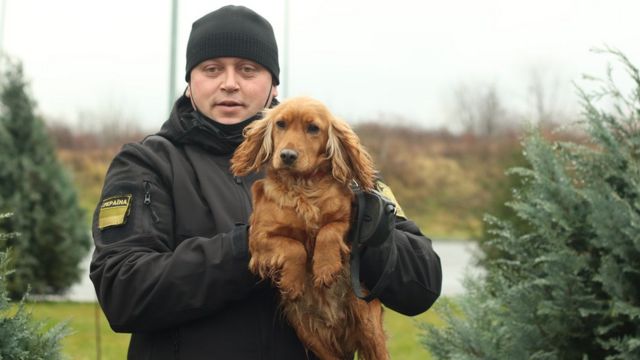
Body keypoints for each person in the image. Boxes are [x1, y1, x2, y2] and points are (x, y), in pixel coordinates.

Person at [90, 5, 442, 359]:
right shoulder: (146, 164)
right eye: (211, 69)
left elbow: (423, 284)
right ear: (190, 81)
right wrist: (253, 246)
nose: (229, 82)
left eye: (248, 69)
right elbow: (123, 292)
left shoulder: (334, 163)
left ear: (273, 84)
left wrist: (358, 232)